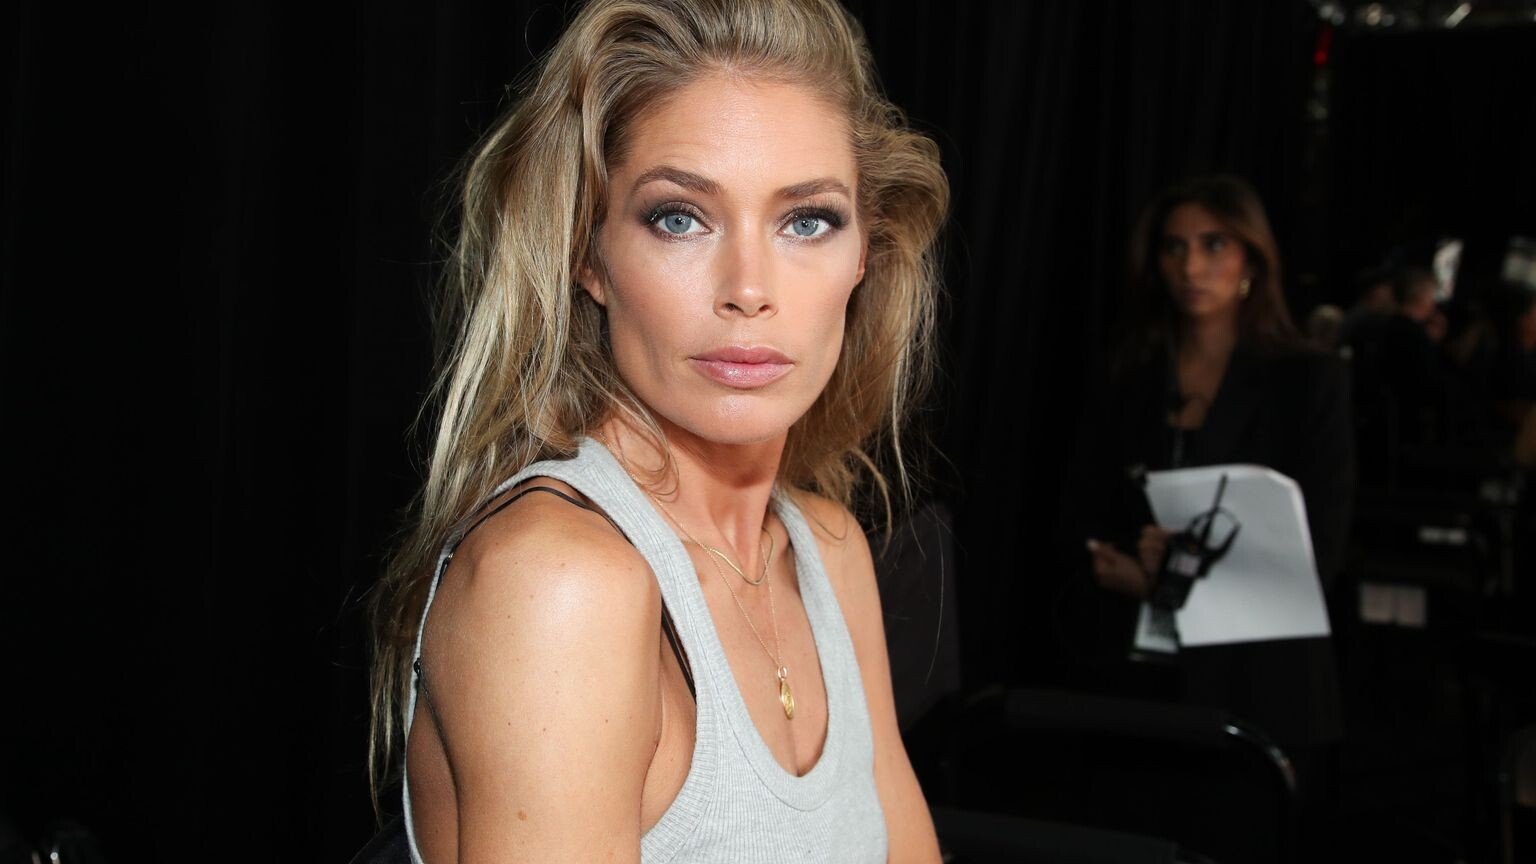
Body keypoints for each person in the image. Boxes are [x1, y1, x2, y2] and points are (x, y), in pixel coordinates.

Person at [365, 1, 950, 862]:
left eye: (807, 221)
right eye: (680, 217)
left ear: (865, 251)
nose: (748, 289)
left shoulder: (829, 550)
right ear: (588, 253)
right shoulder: (558, 581)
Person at [1068, 175, 1353, 770]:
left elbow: (1316, 560)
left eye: (1214, 245)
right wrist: (1129, 565)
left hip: (1262, 687)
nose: (1191, 266)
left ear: (1252, 258)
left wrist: (1163, 582)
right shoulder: (1129, 374)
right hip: (1137, 680)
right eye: (1175, 247)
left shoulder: (1309, 381)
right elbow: (1087, 517)